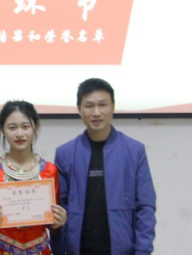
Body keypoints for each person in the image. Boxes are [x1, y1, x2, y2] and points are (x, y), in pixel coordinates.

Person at [50, 78, 156, 255]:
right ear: (79, 109)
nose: (96, 113)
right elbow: (59, 209)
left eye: (102, 105)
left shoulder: (134, 151)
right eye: (89, 106)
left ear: (113, 107)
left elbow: (145, 207)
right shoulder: (65, 154)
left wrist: (143, 251)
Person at [0, 100, 67, 255]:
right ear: (2, 129)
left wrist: (59, 221)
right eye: (12, 127)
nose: (20, 134)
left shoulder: (50, 171)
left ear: (36, 126)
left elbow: (52, 222)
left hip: (38, 250)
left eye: (25, 127)